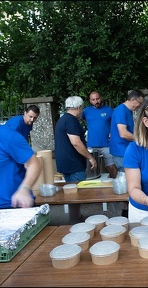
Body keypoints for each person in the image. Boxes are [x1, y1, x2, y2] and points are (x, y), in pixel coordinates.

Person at [54, 96, 97, 224]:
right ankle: (75, 221)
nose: (82, 111)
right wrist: (90, 158)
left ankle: (76, 216)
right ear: (78, 108)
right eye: (82, 108)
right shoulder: (71, 121)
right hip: (74, 164)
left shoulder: (62, 120)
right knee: (76, 194)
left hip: (65, 163)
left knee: (71, 193)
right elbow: (76, 142)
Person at [82, 91, 118, 178]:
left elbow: (116, 125)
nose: (96, 101)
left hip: (107, 145)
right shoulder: (86, 111)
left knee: (112, 167)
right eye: (93, 99)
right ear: (90, 101)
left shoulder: (109, 110)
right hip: (91, 145)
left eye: (97, 99)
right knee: (92, 169)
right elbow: (80, 120)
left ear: (101, 98)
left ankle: (114, 184)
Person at [109, 89, 145, 171]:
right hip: (121, 152)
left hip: (124, 151)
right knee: (128, 179)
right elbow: (123, 133)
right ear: (133, 100)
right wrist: (141, 140)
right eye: (140, 103)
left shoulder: (127, 111)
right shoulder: (121, 111)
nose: (140, 105)